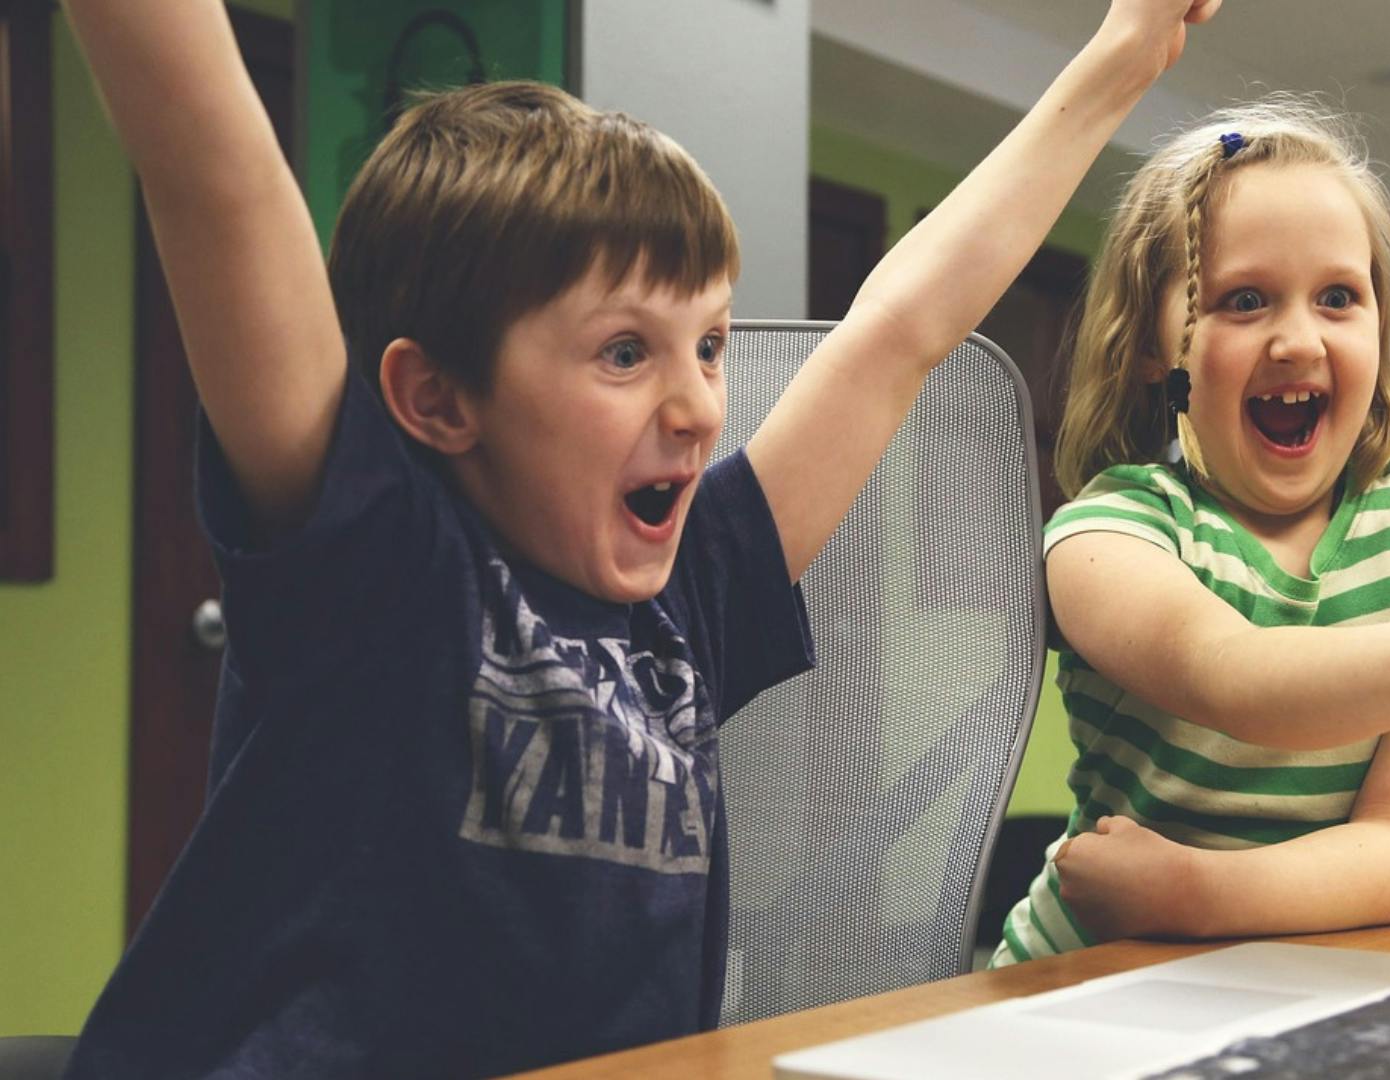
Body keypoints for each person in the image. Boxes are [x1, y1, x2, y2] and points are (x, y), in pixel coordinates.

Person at [59, 0, 1221, 1074]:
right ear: (437, 401)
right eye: (627, 353)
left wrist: (1124, 53)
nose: (699, 406)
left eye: (708, 344)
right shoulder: (376, 561)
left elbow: (902, 325)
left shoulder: (690, 596)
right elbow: (213, 172)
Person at [992, 94, 1390, 966]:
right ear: (1152, 348)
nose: (1297, 339)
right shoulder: (1107, 531)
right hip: (1084, 976)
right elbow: (1232, 675)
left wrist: (1192, 895)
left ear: (1380, 326)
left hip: (1295, 973)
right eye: (1244, 299)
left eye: (1339, 298)